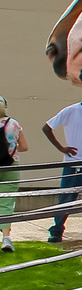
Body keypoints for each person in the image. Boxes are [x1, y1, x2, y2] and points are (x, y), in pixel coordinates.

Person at [41, 90, 82, 243]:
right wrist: (61, 148)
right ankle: (57, 231)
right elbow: (47, 127)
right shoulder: (71, 111)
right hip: (73, 164)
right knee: (66, 199)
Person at [0, 95, 29, 252]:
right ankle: (6, 238)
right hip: (11, 166)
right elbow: (24, 147)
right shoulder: (13, 124)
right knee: (6, 202)